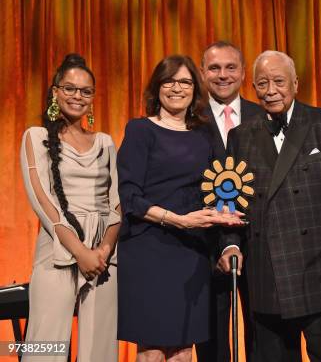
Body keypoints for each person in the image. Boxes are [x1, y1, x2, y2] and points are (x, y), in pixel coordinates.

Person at [218, 50, 321, 361]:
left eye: (278, 82)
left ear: (295, 84)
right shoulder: (241, 136)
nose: (270, 91)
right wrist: (229, 245)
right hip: (264, 274)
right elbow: (229, 202)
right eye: (262, 84)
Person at [117, 55, 243, 362]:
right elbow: (129, 197)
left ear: (195, 88)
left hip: (192, 253)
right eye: (169, 81)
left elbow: (220, 184)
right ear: (157, 87)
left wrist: (224, 215)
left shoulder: (205, 134)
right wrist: (178, 220)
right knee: (154, 349)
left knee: (184, 350)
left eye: (185, 82)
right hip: (149, 249)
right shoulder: (140, 130)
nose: (177, 88)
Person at [20, 53, 120, 361]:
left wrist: (103, 250)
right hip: (58, 250)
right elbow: (42, 199)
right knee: (44, 349)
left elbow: (117, 201)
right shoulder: (35, 137)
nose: (78, 96)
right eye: (70, 88)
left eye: (86, 91)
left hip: (103, 258)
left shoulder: (104, 142)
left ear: (92, 98)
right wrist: (80, 252)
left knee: (100, 351)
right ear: (55, 92)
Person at [196, 41, 262, 362]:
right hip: (203, 244)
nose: (223, 75)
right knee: (212, 340)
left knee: (262, 334)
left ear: (243, 72)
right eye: (214, 68)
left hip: (260, 241)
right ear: (202, 73)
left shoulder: (265, 114)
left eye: (231, 67)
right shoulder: (188, 118)